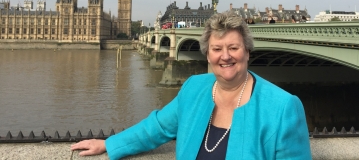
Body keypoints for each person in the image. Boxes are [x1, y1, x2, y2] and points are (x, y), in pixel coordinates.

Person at [71, 11, 312, 160]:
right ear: (208, 55)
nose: (225, 56)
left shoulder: (282, 107)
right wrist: (109, 144)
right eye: (217, 49)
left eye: (234, 48)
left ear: (247, 51)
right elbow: (157, 128)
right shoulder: (194, 88)